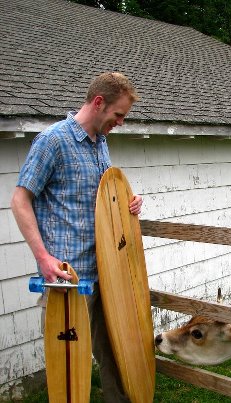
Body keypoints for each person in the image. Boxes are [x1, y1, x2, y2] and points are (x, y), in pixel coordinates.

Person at [11, 72, 142, 403]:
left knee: (116, 355)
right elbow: (20, 200)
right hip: (68, 280)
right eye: (118, 115)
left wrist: (128, 201)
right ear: (99, 103)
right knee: (70, 368)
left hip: (106, 274)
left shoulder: (101, 142)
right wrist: (43, 257)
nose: (121, 123)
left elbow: (99, 200)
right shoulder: (53, 141)